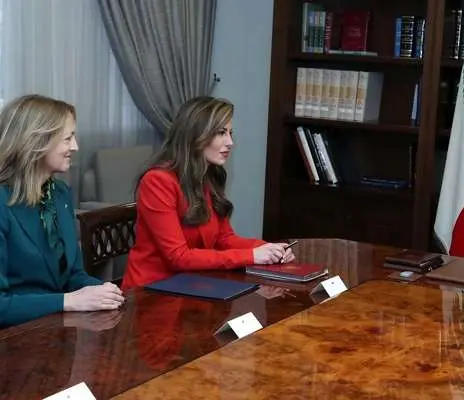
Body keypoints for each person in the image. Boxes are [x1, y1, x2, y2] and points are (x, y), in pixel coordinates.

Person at [121, 96, 295, 290]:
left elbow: (224, 239)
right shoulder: (157, 181)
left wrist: (268, 249)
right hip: (151, 292)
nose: (230, 142)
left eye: (230, 133)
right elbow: (178, 257)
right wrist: (252, 256)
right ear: (195, 135)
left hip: (193, 283)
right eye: (221, 133)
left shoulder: (210, 176)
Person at [0, 94, 124, 328]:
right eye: (67, 138)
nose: (75, 147)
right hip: (14, 338)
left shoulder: (59, 193)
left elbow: (72, 275)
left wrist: (104, 291)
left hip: (59, 330)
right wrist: (68, 301)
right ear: (36, 142)